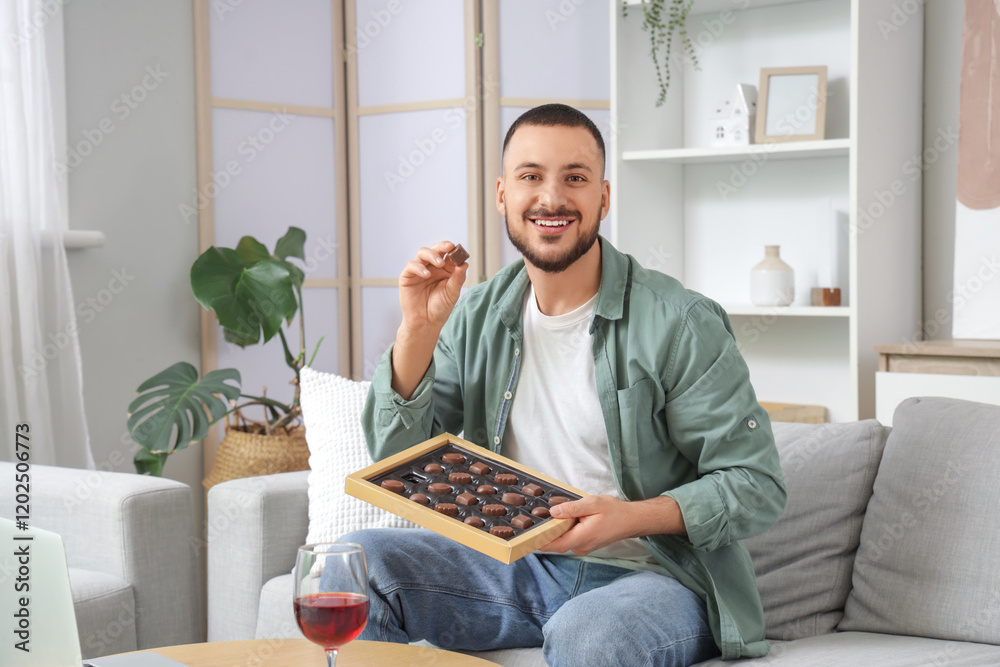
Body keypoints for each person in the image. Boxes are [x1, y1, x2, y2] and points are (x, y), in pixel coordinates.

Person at [349, 104, 787, 666]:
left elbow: (757, 485)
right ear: (503, 195)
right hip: (513, 570)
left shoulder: (680, 321)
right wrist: (417, 331)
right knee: (357, 564)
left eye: (574, 178)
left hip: (651, 579)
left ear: (603, 198)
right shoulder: (475, 312)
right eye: (531, 177)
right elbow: (399, 465)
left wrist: (629, 516)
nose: (551, 198)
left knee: (590, 635)